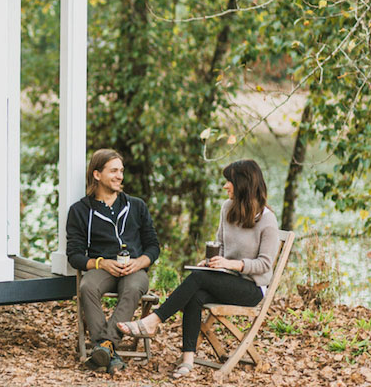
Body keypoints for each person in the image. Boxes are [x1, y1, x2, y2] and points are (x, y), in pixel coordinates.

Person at [117, 159, 280, 380]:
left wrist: (232, 264)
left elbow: (265, 264)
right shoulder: (227, 208)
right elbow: (220, 244)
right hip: (225, 279)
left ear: (242, 184)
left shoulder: (267, 221)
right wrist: (212, 261)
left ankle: (153, 321)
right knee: (196, 294)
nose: (225, 186)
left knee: (197, 280)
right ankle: (187, 360)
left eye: (228, 182)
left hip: (252, 287)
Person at [66, 149, 160, 374]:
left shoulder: (136, 206)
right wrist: (101, 263)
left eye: (121, 171)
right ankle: (110, 352)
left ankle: (104, 346)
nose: (120, 176)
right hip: (103, 268)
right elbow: (75, 255)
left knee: (133, 287)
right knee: (87, 286)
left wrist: (140, 262)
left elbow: (153, 246)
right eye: (114, 171)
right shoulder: (80, 211)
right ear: (97, 175)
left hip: (134, 269)